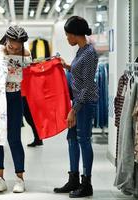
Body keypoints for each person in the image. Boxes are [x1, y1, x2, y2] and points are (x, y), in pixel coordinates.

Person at [53, 16, 98, 198]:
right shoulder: (82, 51)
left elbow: (87, 86)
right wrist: (67, 66)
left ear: (75, 34)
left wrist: (74, 110)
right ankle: (74, 179)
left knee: (84, 140)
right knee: (72, 139)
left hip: (84, 103)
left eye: (67, 35)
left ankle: (86, 184)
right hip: (78, 102)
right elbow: (80, 73)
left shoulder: (89, 53)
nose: (66, 38)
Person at [0, 25, 30, 193]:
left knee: (14, 138)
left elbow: (31, 69)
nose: (14, 49)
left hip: (15, 97)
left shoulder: (25, 54)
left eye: (17, 47)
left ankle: (20, 179)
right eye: (11, 46)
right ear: (6, 40)